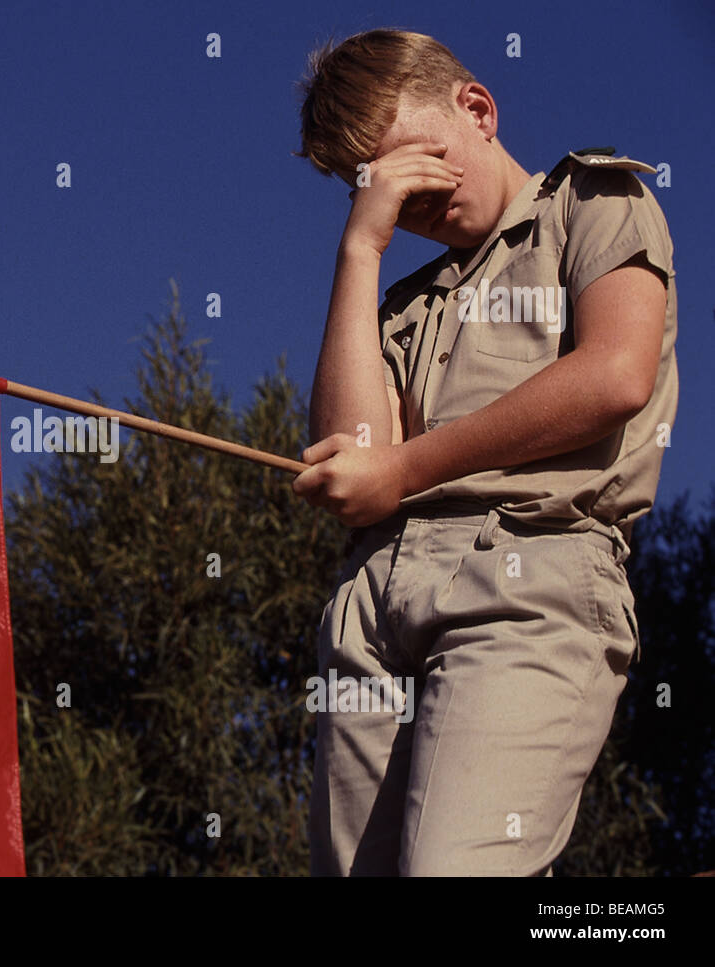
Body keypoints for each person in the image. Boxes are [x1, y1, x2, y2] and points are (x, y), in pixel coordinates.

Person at [290, 29, 677, 875]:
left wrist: (405, 468)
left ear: (476, 109)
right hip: (372, 609)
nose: (411, 205)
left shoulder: (591, 200)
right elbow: (353, 458)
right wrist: (361, 249)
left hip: (527, 579)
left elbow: (616, 374)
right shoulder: (396, 305)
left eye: (418, 169)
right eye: (382, 190)